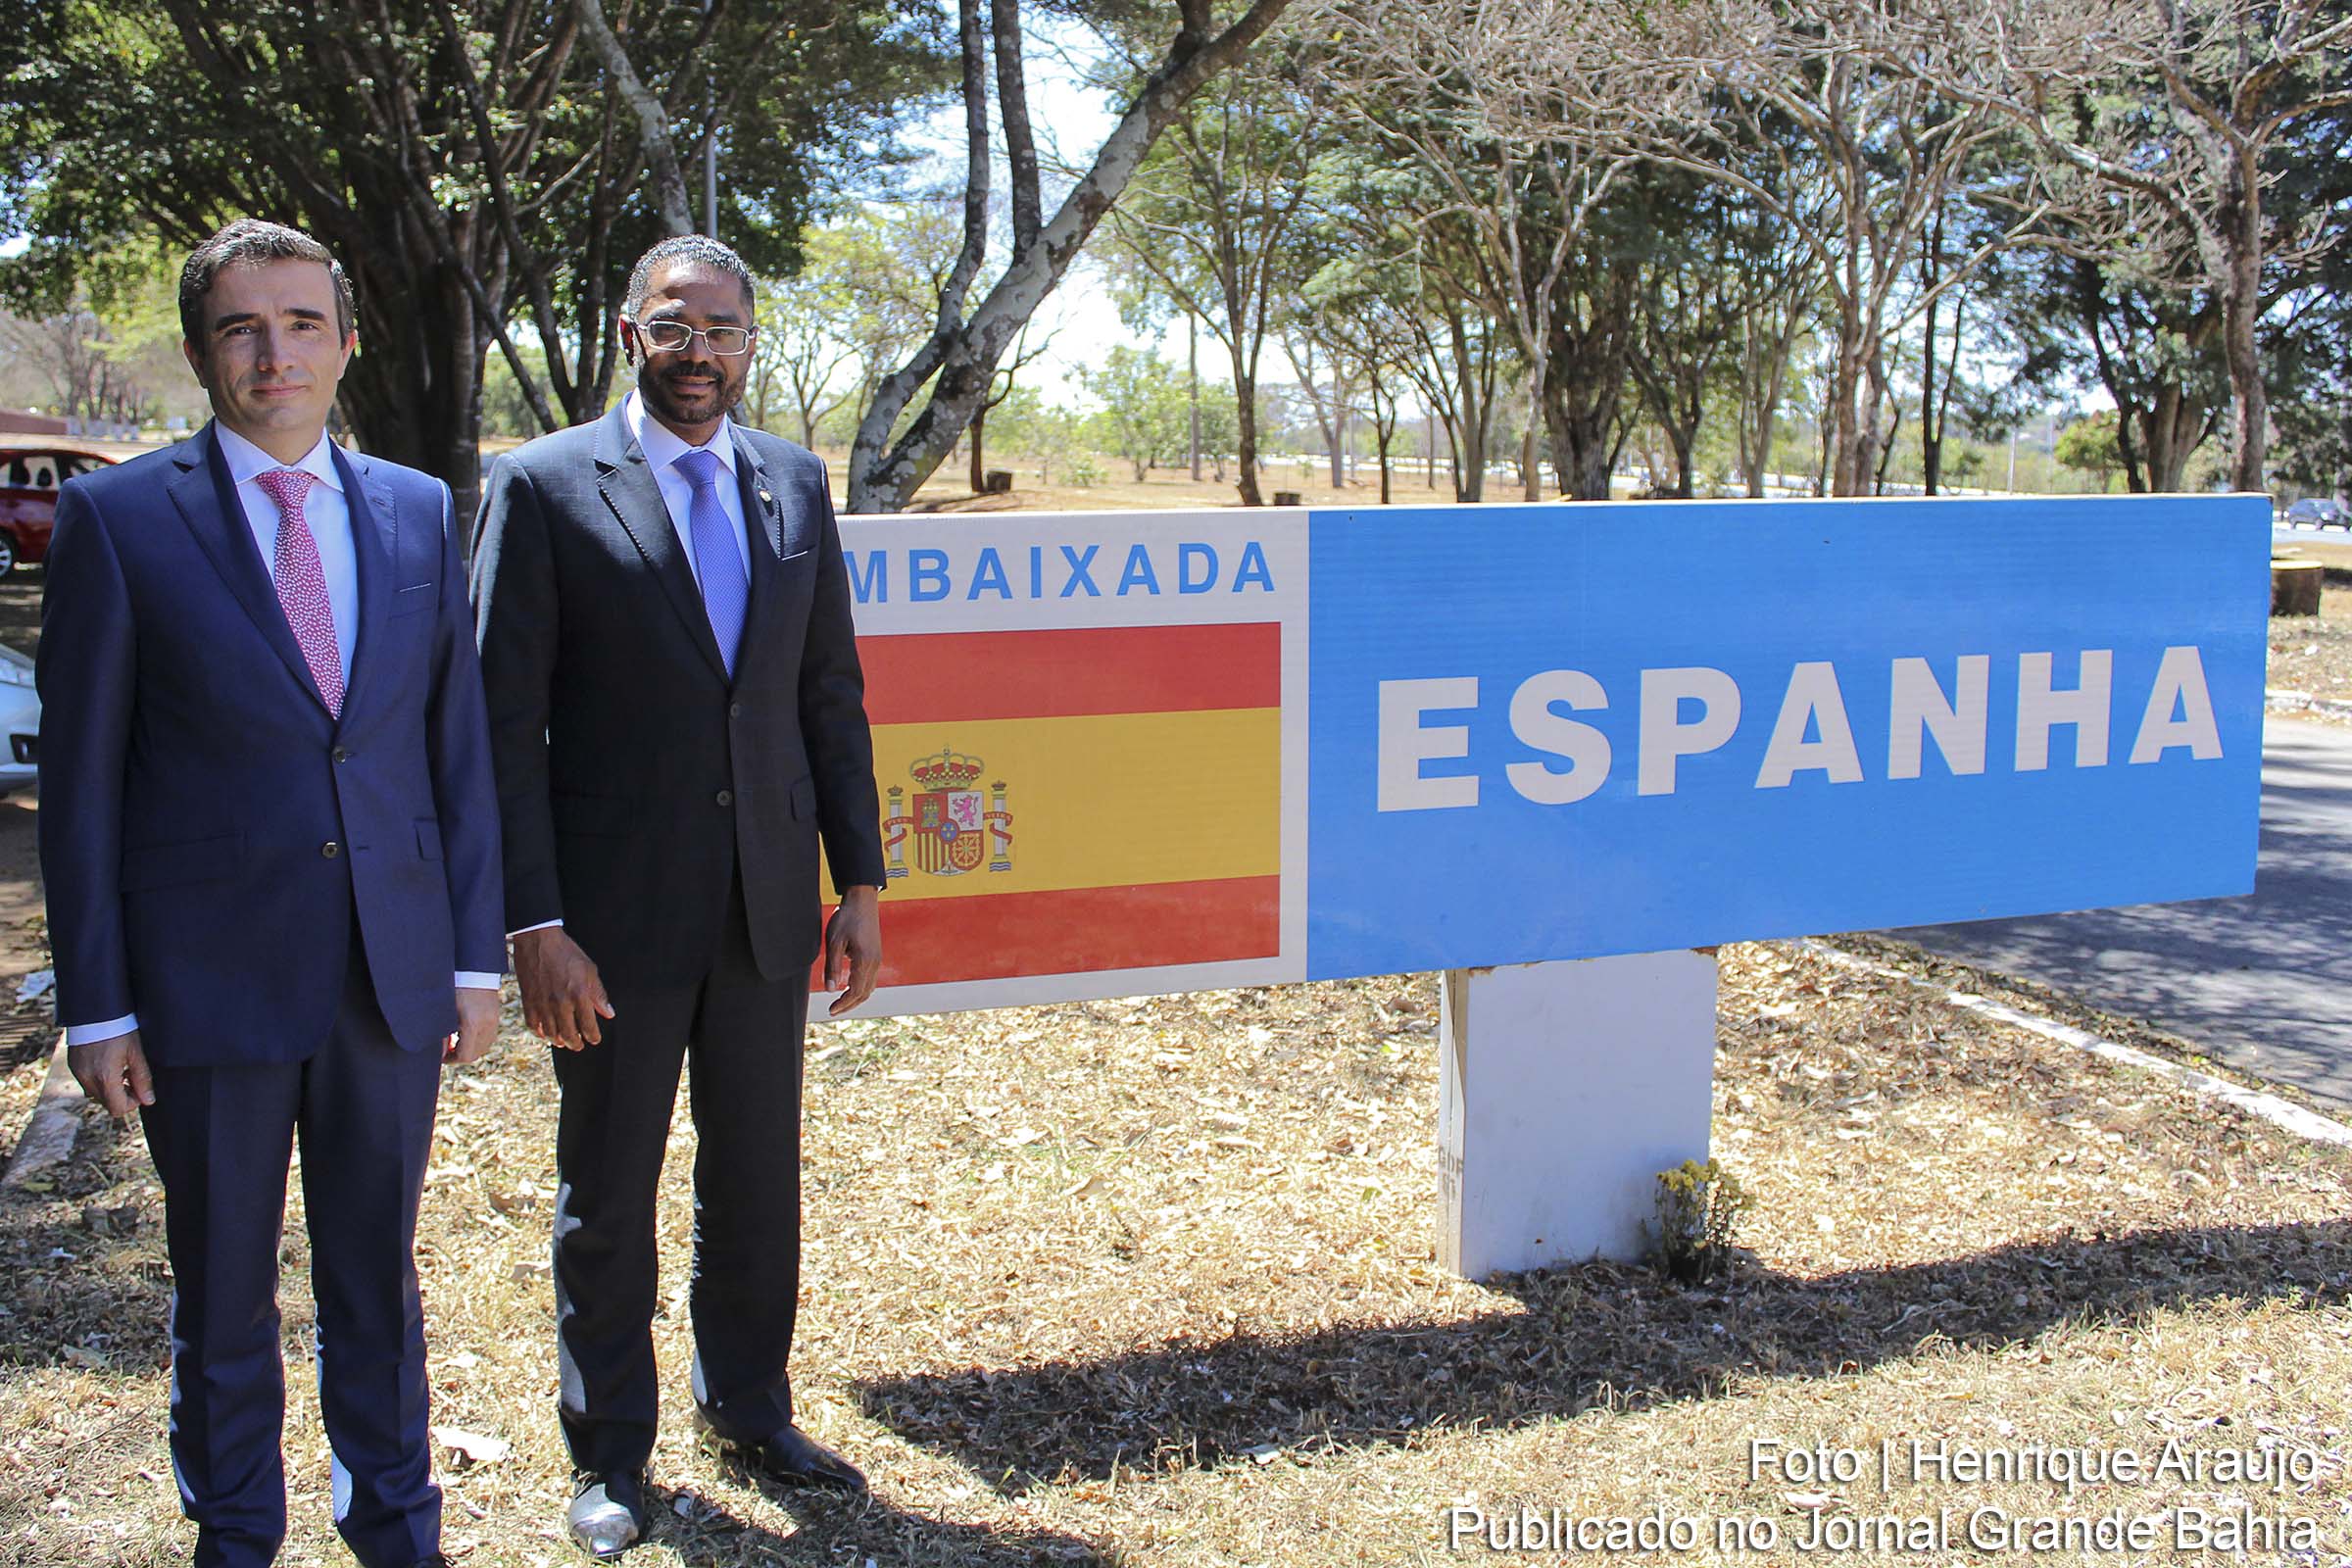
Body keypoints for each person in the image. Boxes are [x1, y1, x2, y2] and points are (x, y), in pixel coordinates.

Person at [37, 219, 506, 1568]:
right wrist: (100, 1005)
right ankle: (235, 1537)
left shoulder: (415, 508)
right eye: (243, 327)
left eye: (303, 323)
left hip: (387, 974)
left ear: (346, 343)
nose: (274, 352)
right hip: (207, 986)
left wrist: (472, 960)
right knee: (226, 1295)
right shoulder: (117, 520)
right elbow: (82, 790)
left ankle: (398, 1532)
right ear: (199, 353)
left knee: (378, 1282)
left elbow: (452, 755)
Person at [470, 233, 886, 1557]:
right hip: (611, 923)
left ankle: (751, 1409)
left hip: (767, 908)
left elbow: (829, 695)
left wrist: (860, 878)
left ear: (752, 343)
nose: (696, 352)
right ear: (629, 333)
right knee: (610, 1187)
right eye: (672, 327)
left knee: (758, 1181)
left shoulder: (789, 483)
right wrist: (534, 924)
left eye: (722, 330)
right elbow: (502, 726)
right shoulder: (540, 486)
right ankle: (610, 1454)